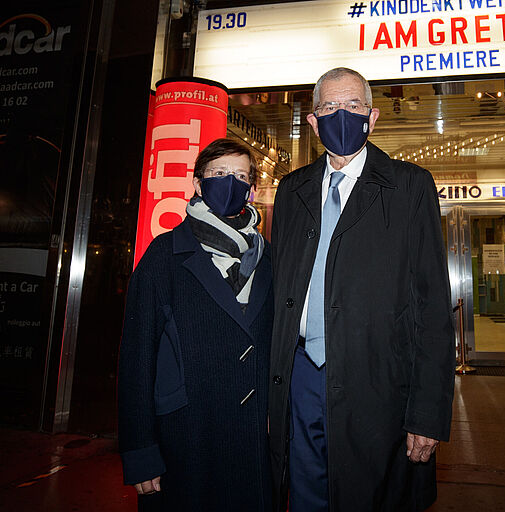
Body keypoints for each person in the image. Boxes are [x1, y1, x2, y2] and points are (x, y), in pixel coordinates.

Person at [268, 67, 455, 511]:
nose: (342, 115)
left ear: (372, 119)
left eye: (353, 106)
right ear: (312, 123)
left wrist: (427, 413)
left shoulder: (410, 187)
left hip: (379, 383)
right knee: (306, 493)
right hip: (301, 377)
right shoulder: (292, 191)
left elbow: (432, 306)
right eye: (330, 107)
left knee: (370, 497)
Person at [118, 138, 273, 510]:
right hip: (186, 435)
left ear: (251, 190)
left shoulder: (269, 258)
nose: (230, 182)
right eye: (219, 174)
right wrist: (140, 451)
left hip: (251, 439)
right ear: (198, 185)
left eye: (239, 175)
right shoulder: (164, 254)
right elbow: (137, 358)